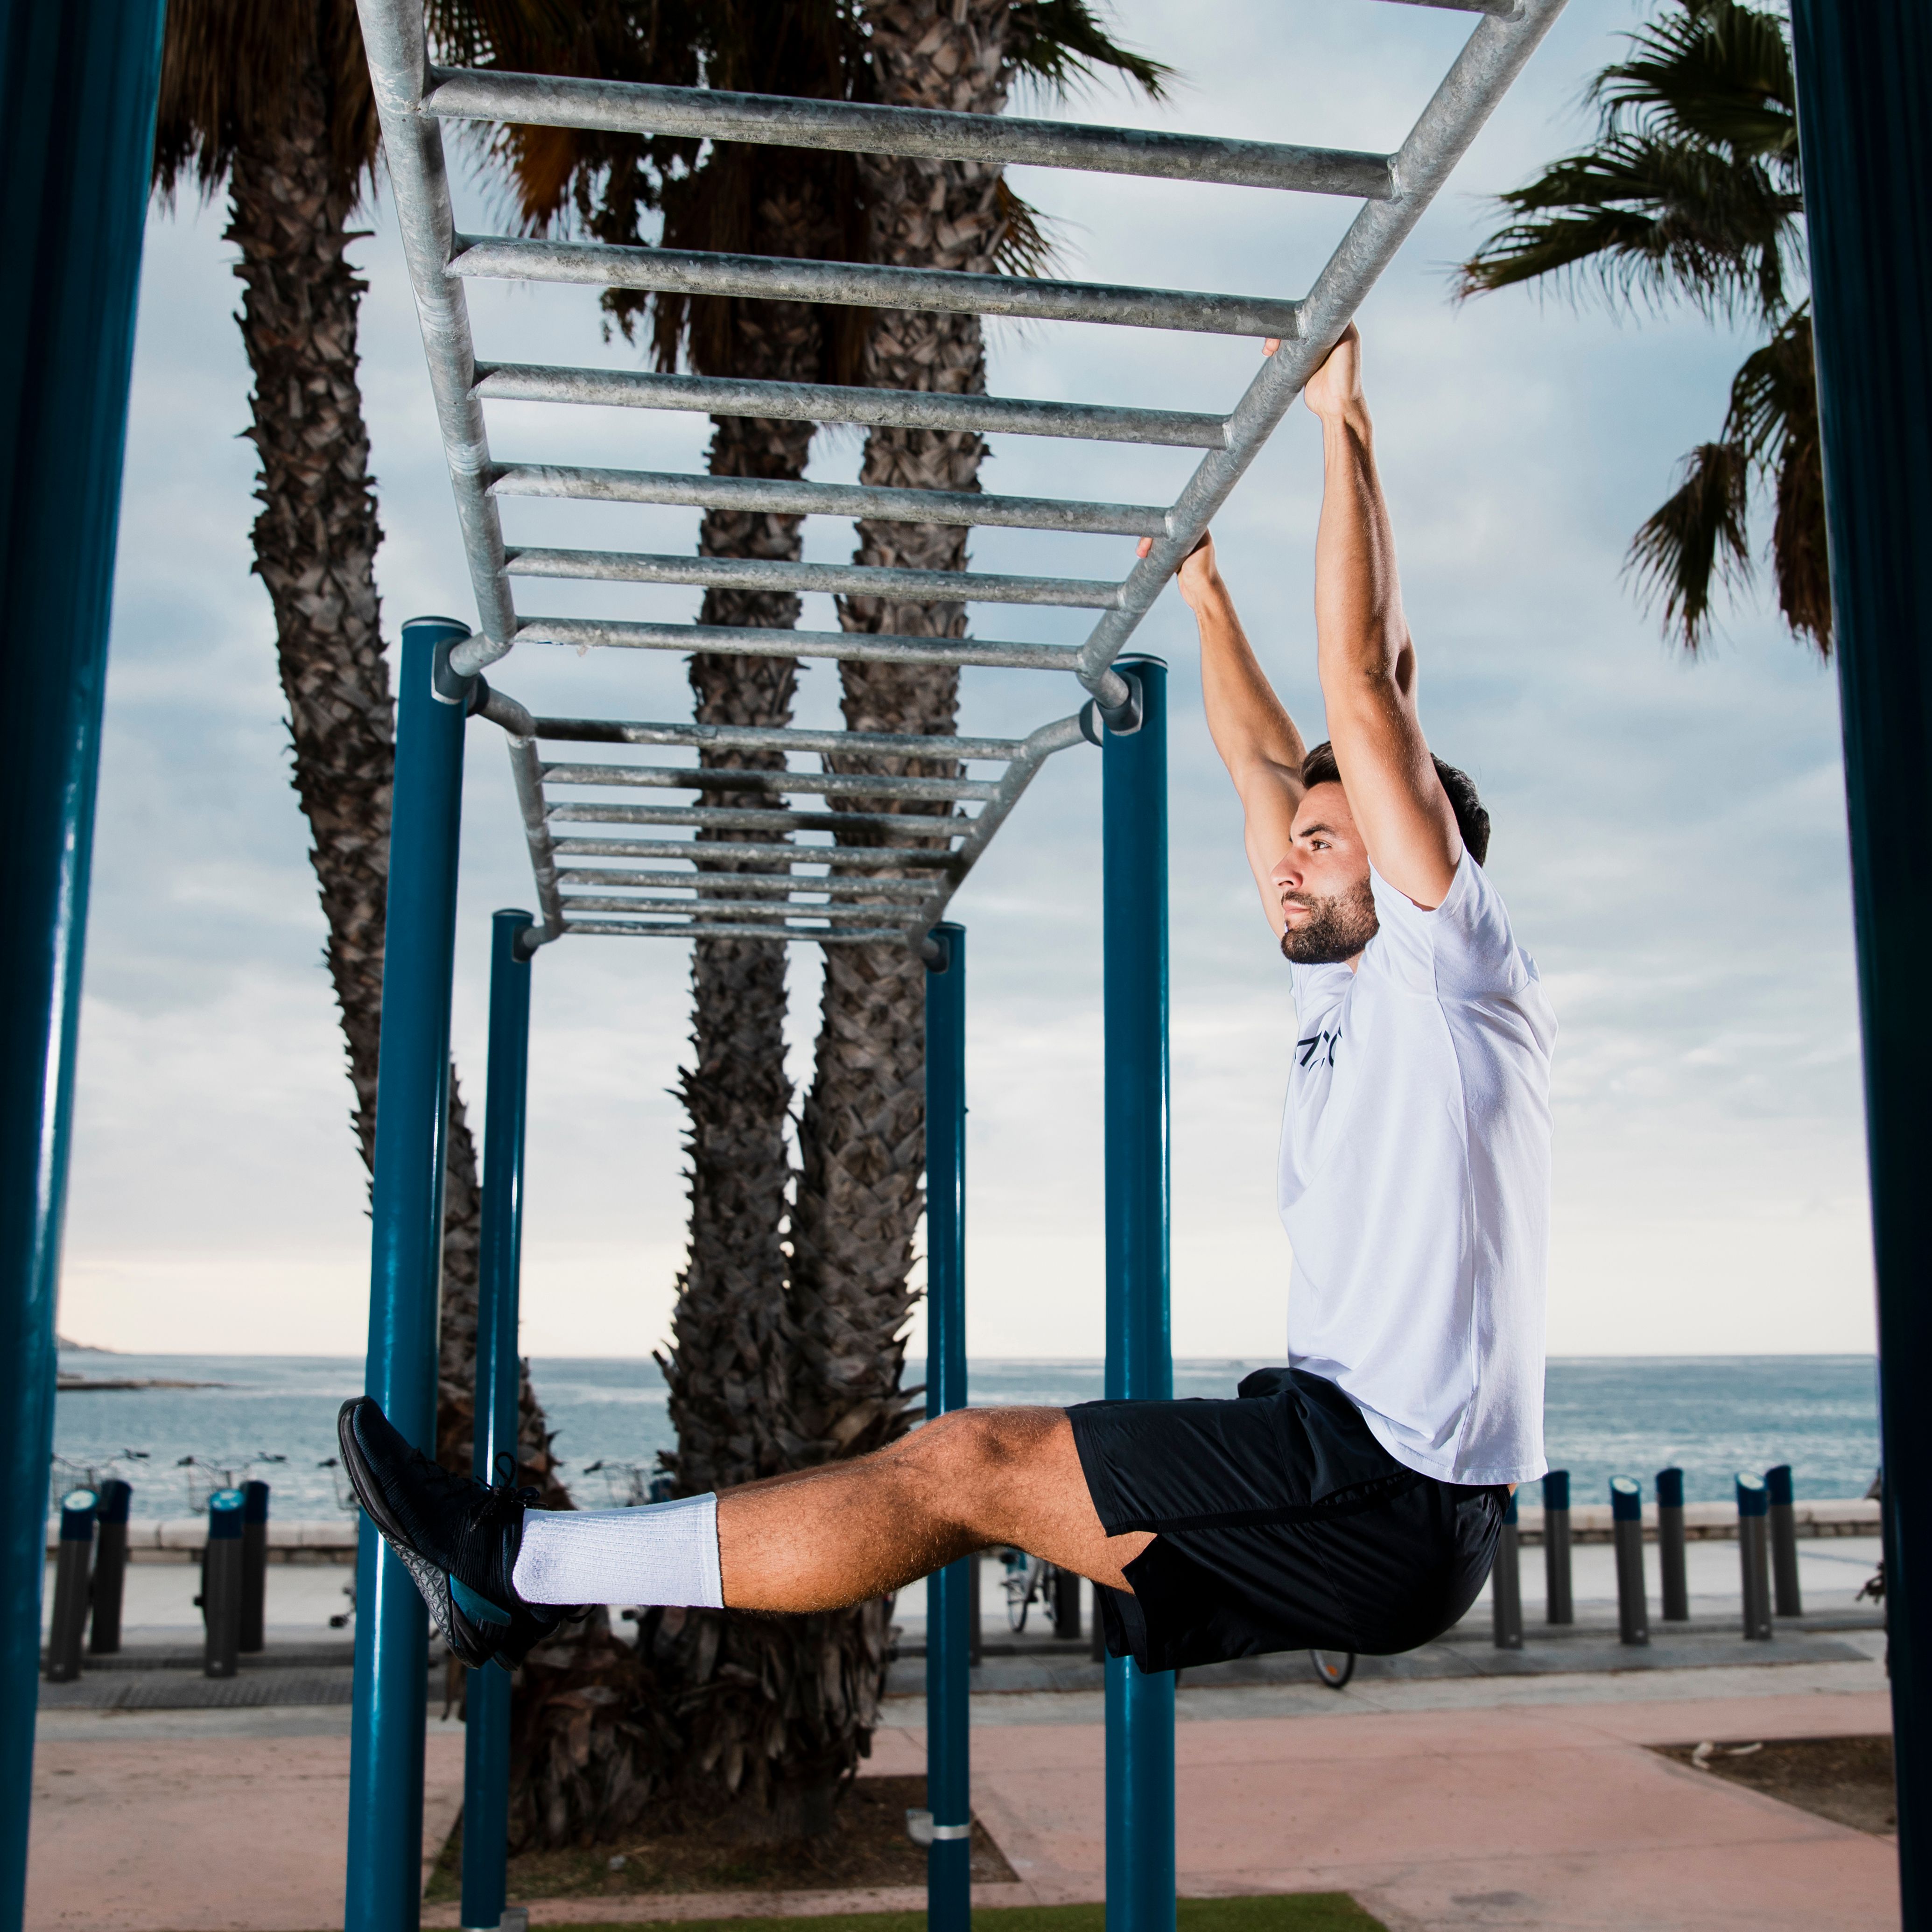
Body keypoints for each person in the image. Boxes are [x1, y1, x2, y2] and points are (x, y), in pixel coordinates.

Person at [338, 324, 1555, 1676]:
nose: (1287, 855)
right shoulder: (1340, 980)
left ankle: (517, 1568)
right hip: (1341, 1462)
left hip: (1389, 1485)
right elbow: (1273, 753)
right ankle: (522, 1573)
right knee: (957, 1473)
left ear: (1407, 854)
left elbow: (1369, 690)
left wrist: (1344, 422)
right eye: (1298, 838)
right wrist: (1205, 592)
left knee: (963, 1461)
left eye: (1325, 841)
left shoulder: (1449, 962)